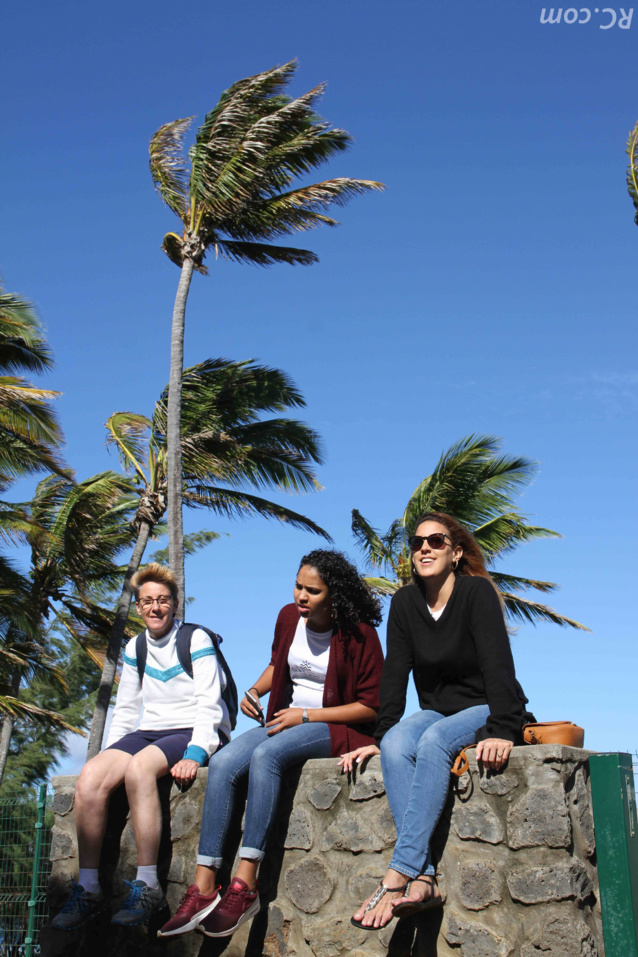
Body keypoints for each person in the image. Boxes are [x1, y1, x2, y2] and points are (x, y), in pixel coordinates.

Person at [158, 549, 383, 940]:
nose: (301, 596)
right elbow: (279, 664)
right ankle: (204, 886)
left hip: (332, 725)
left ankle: (245, 884)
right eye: (298, 586)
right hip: (286, 718)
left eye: (312, 591)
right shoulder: (286, 618)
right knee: (225, 762)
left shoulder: (359, 633)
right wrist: (255, 690)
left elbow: (369, 706)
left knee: (266, 756)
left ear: (335, 594)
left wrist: (308, 716)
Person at [340, 512, 531, 930]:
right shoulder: (405, 603)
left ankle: (398, 875)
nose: (424, 548)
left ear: (456, 552)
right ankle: (424, 878)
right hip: (436, 709)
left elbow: (499, 666)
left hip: (484, 705)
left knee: (432, 743)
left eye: (437, 541)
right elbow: (395, 675)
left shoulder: (476, 593)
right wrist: (380, 735)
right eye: (417, 542)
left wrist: (502, 729)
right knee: (394, 746)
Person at [51, 563, 232, 930]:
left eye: (163, 600)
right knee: (90, 778)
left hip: (194, 726)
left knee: (139, 769)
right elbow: (128, 708)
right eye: (147, 601)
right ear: (137, 607)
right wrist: (110, 757)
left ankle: (148, 885)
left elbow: (210, 704)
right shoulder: (136, 647)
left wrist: (197, 752)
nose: (155, 607)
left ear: (175, 604)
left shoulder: (196, 640)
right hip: (149, 730)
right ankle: (88, 889)